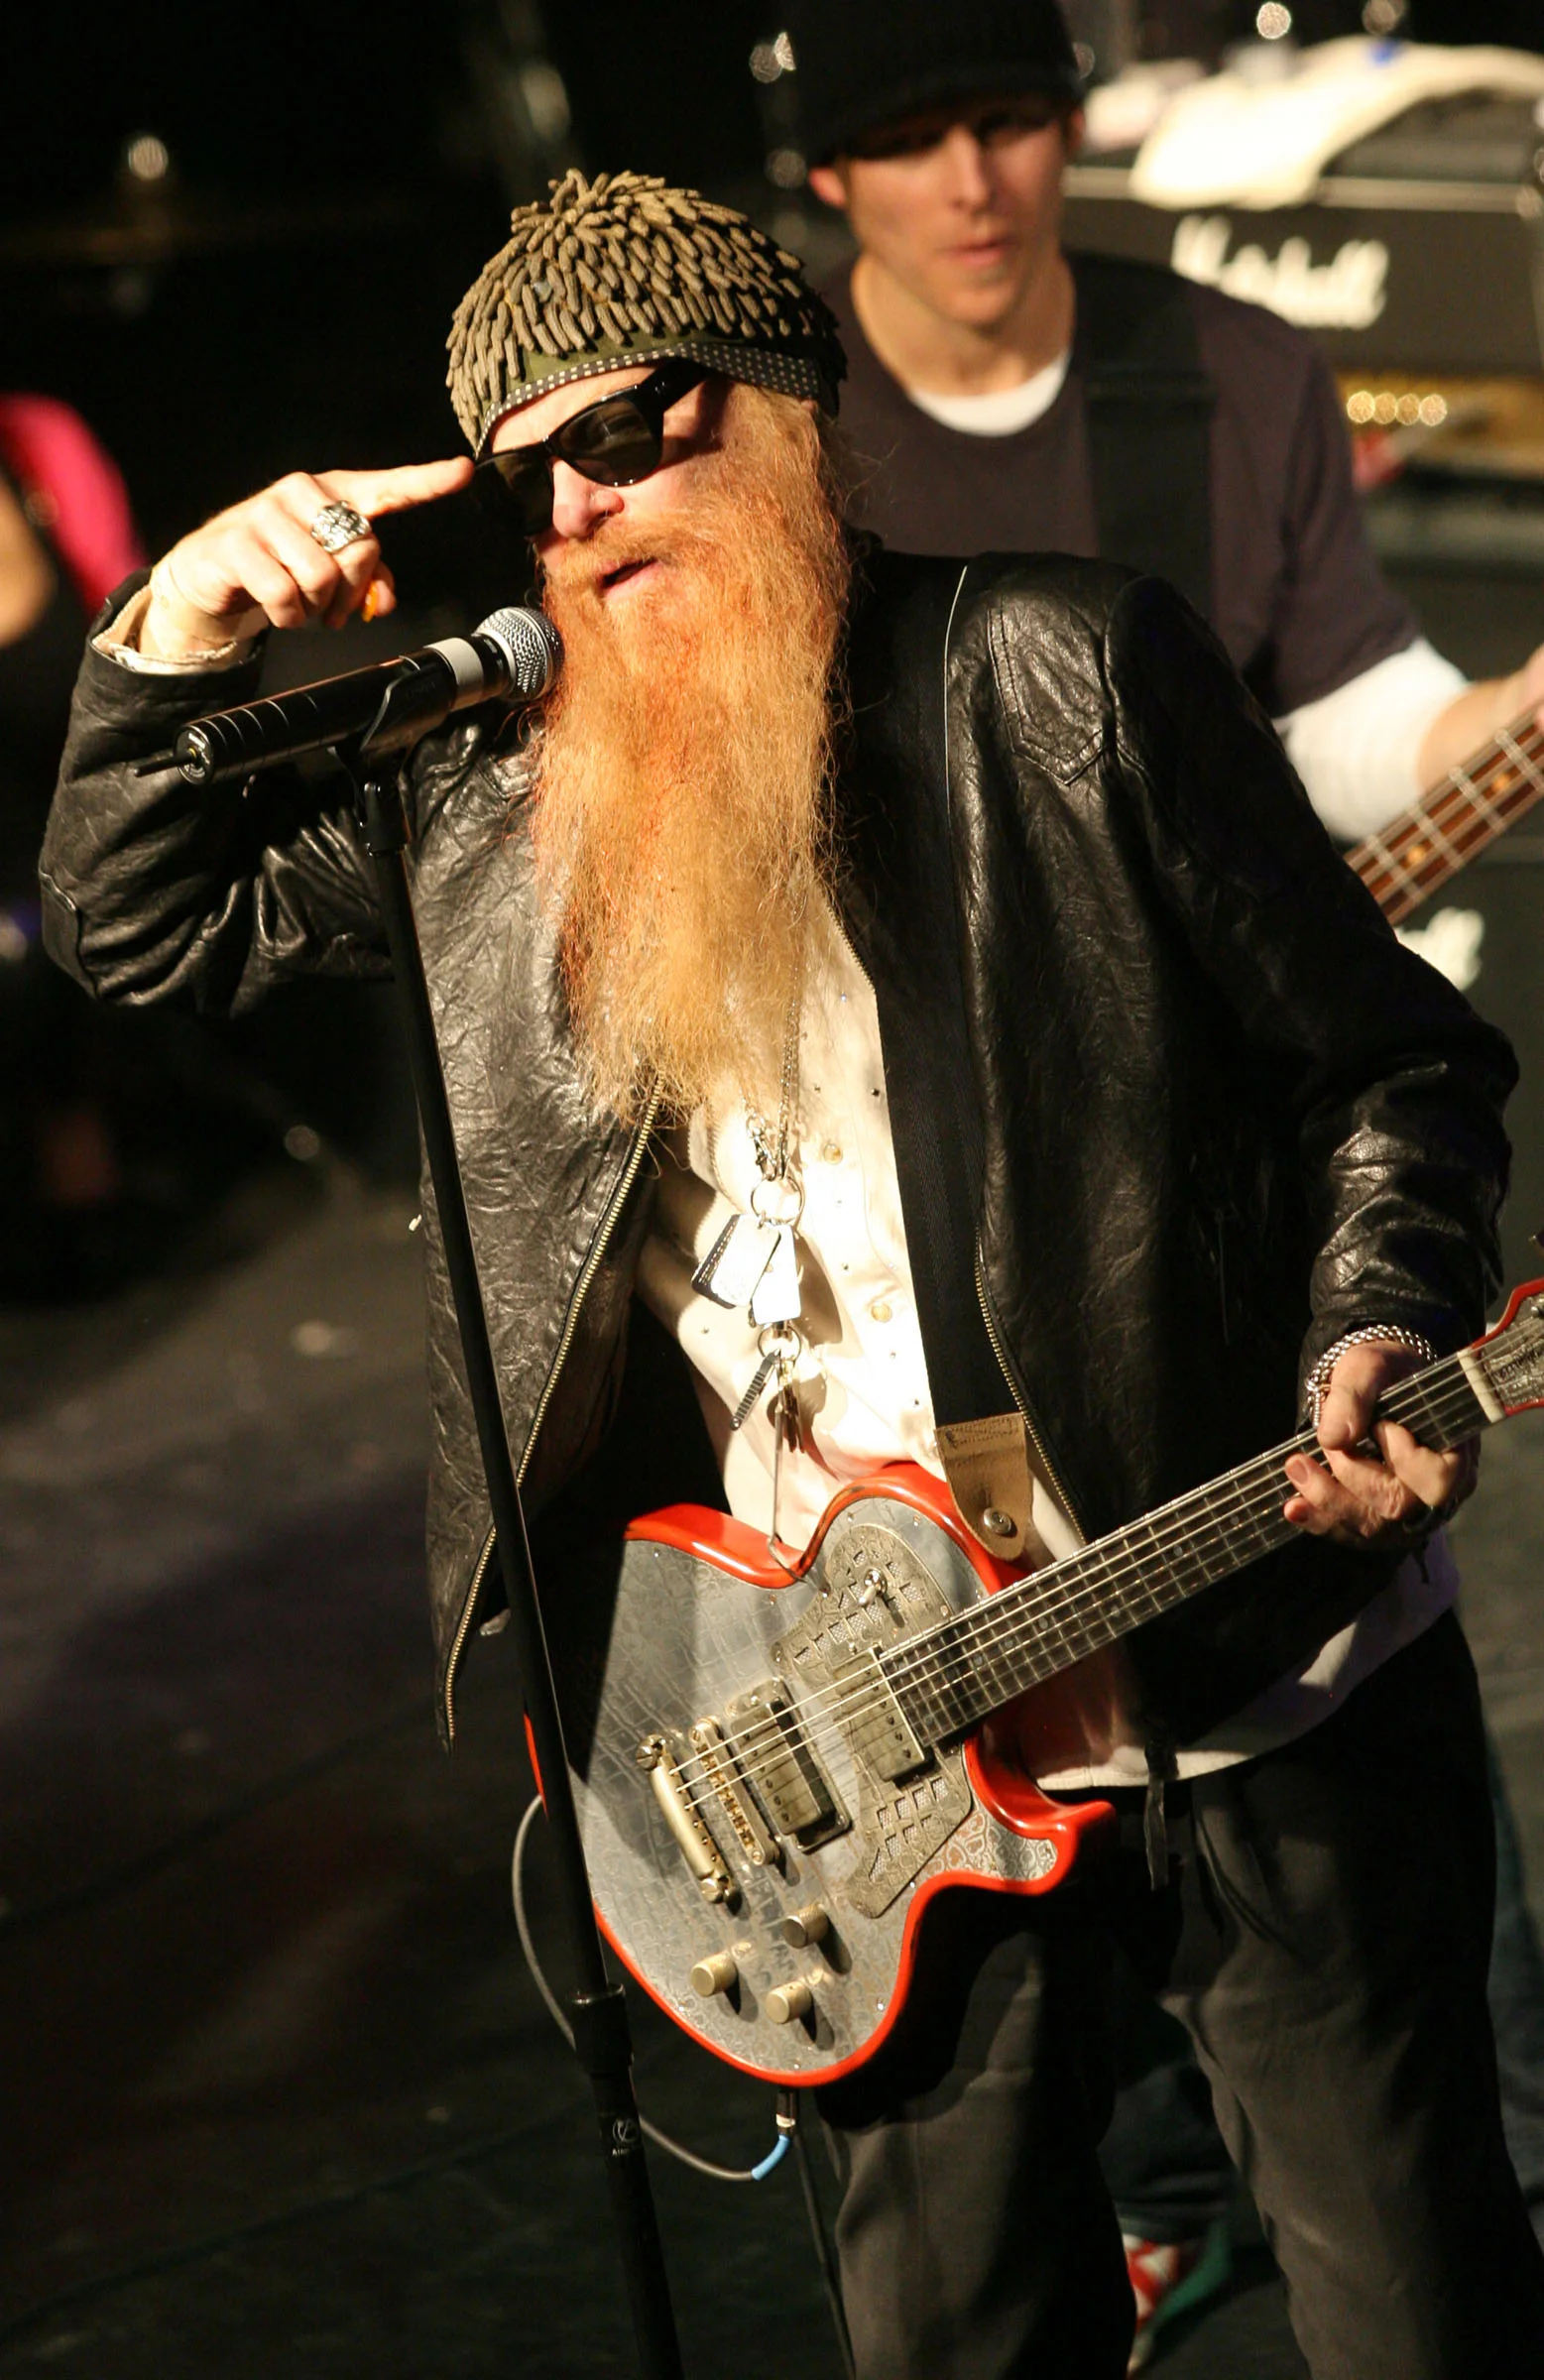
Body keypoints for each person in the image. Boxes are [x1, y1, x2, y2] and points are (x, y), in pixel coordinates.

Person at [40, 170, 1544, 2380]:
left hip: (1236, 1669)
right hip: (849, 1755)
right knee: (957, 2341)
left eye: (625, 431)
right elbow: (134, 926)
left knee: (1414, 2306)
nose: (579, 509)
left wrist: (1376, 1314)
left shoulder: (1064, 670)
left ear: (778, 417)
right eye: (529, 477)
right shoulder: (488, 810)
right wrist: (177, 627)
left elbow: (1393, 1065)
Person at [783, 0, 1544, 2351]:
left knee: (1383, 1981)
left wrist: (1498, 719)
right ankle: (1152, 2181)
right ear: (829, 177)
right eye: (915, 138)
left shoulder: (1221, 371)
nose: (976, 182)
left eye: (1013, 122)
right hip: (928, 1263)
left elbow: (1346, 713)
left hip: (1211, 1231)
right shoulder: (777, 425)